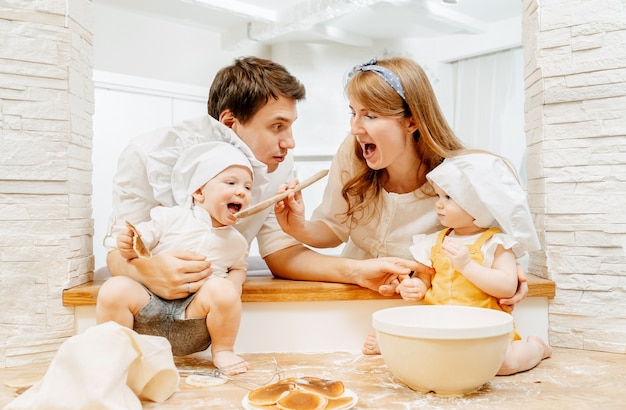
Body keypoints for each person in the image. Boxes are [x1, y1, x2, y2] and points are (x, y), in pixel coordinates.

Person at [104, 56, 435, 306]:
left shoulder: (278, 164)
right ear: (230, 123)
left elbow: (282, 254)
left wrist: (356, 271)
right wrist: (146, 272)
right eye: (278, 126)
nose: (290, 142)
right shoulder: (147, 156)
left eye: (291, 127)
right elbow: (117, 253)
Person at [272, 56, 528, 354]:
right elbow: (333, 229)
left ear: (411, 121)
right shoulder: (353, 153)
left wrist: (512, 275)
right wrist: (298, 227)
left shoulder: (456, 181)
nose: (355, 128)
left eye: (370, 115)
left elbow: (486, 245)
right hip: (351, 305)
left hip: (420, 313)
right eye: (353, 113)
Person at [97, 142, 255, 373]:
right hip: (148, 308)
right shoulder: (170, 217)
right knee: (115, 288)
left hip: (193, 318)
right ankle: (114, 352)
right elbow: (140, 245)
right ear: (199, 192)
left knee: (223, 289)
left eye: (248, 187)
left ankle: (223, 351)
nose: (242, 191)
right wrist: (129, 245)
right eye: (231, 183)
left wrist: (232, 287)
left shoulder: (237, 242)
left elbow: (239, 268)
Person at [395, 152, 552, 375]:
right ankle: (391, 343)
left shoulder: (495, 243)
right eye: (439, 196)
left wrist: (468, 266)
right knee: (426, 357)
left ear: (479, 205)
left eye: (449, 198)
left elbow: (507, 286)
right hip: (440, 325)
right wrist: (415, 287)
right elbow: (425, 278)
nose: (439, 204)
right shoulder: (433, 242)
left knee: (504, 364)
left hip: (485, 329)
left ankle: (536, 347)